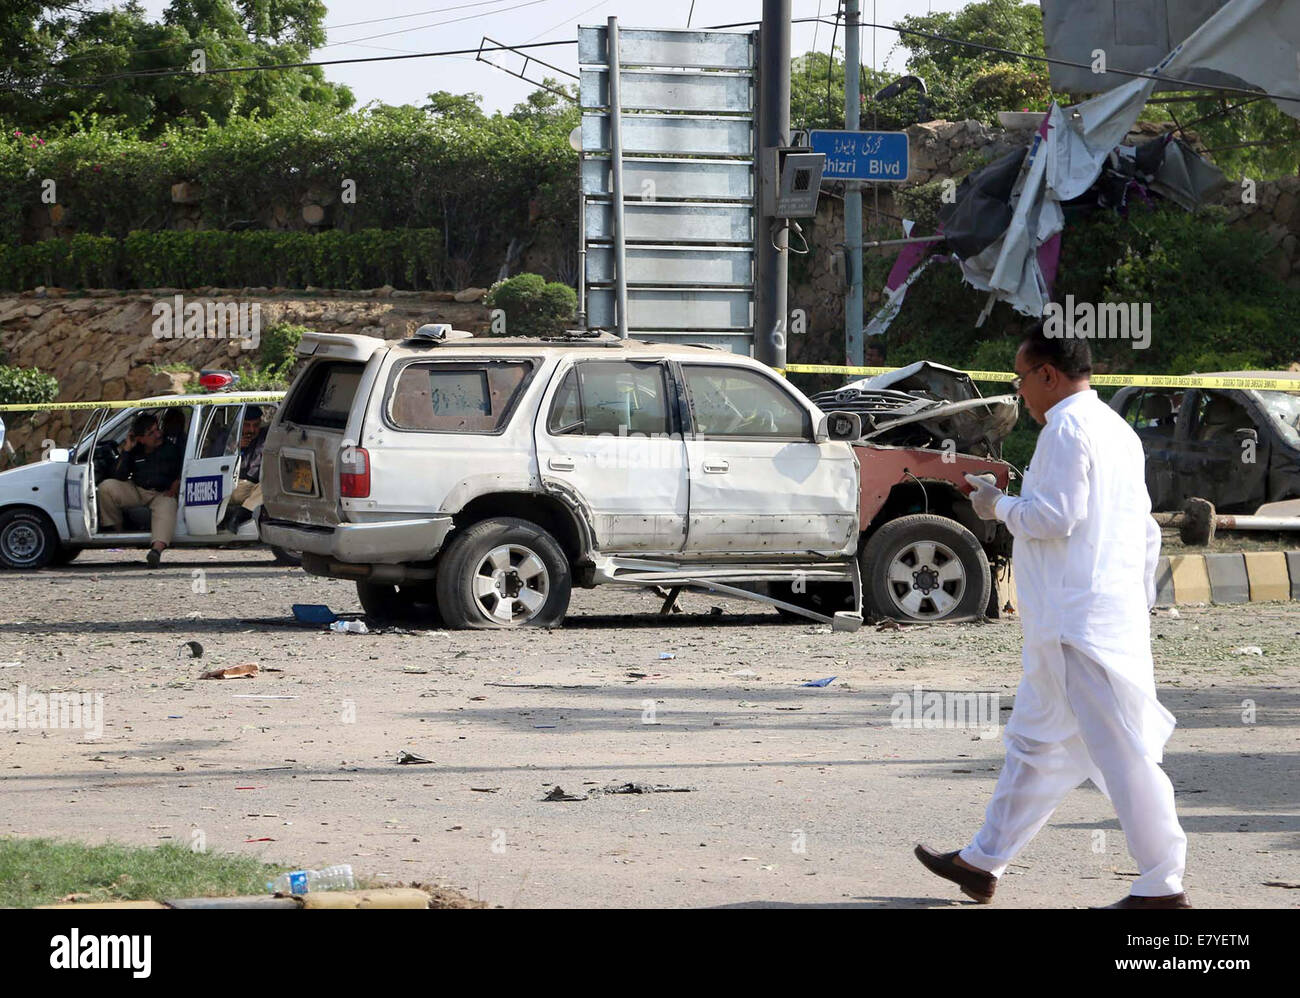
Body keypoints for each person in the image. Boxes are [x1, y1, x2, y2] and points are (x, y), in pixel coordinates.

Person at [914, 325, 1189, 909]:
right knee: (1036, 745)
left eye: (1021, 378)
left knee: (1123, 752)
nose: (1019, 391)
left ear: (1048, 375)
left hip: (1078, 623)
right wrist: (1136, 605)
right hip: (1089, 617)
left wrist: (997, 505)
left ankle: (1163, 885)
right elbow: (1141, 531)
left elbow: (1056, 517)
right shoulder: (1116, 428)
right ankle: (982, 861)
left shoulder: (1067, 428)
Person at [97, 412, 183, 568]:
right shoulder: (135, 450)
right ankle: (119, 534)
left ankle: (156, 551)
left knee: (167, 507)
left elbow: (184, 469)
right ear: (140, 439)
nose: (158, 434)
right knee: (106, 487)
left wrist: (177, 483)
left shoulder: (170, 449)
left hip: (161, 493)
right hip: (138, 490)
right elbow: (119, 475)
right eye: (151, 433)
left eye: (157, 429)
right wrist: (127, 450)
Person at [219, 406, 267, 532]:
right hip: (233, 484)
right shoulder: (229, 437)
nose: (251, 430)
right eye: (247, 425)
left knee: (269, 486)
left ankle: (240, 515)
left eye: (255, 425)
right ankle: (242, 515)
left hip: (254, 486)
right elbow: (215, 459)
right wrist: (234, 447)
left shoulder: (264, 437)